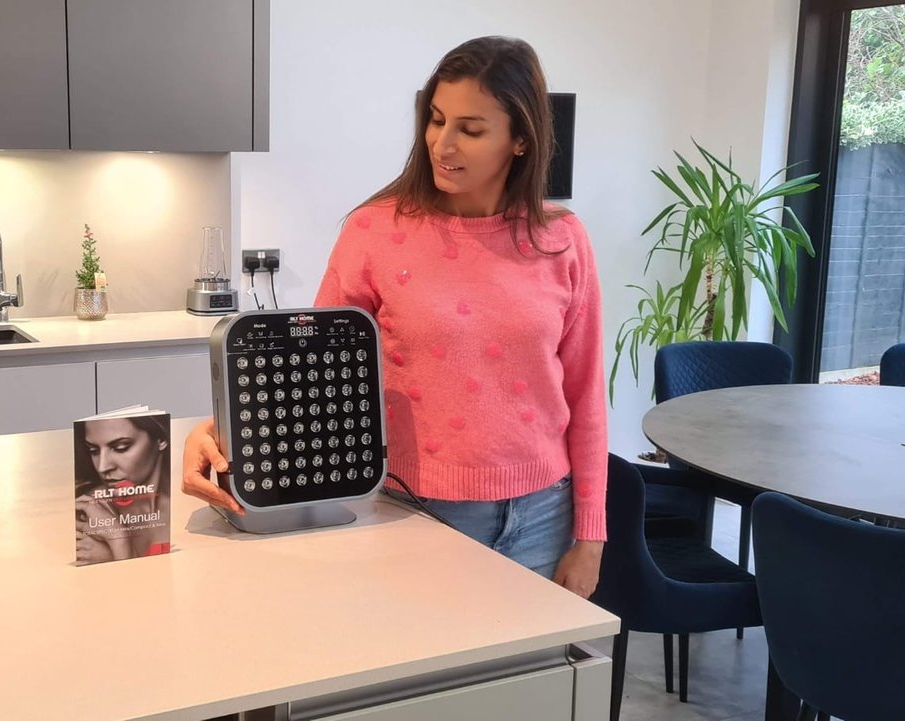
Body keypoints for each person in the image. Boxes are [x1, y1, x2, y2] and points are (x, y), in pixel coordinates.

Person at [183, 36, 607, 598]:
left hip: (545, 517)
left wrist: (590, 536)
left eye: (470, 129)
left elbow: (585, 393)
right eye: (436, 120)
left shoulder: (563, 240)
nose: (442, 144)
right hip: (415, 511)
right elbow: (310, 376)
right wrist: (222, 431)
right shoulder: (376, 231)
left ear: (521, 139)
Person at [75, 415, 172, 564]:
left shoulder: (184, 505)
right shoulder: (85, 515)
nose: (102, 467)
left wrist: (117, 548)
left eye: (121, 448)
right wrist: (119, 539)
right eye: (94, 450)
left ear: (161, 440)